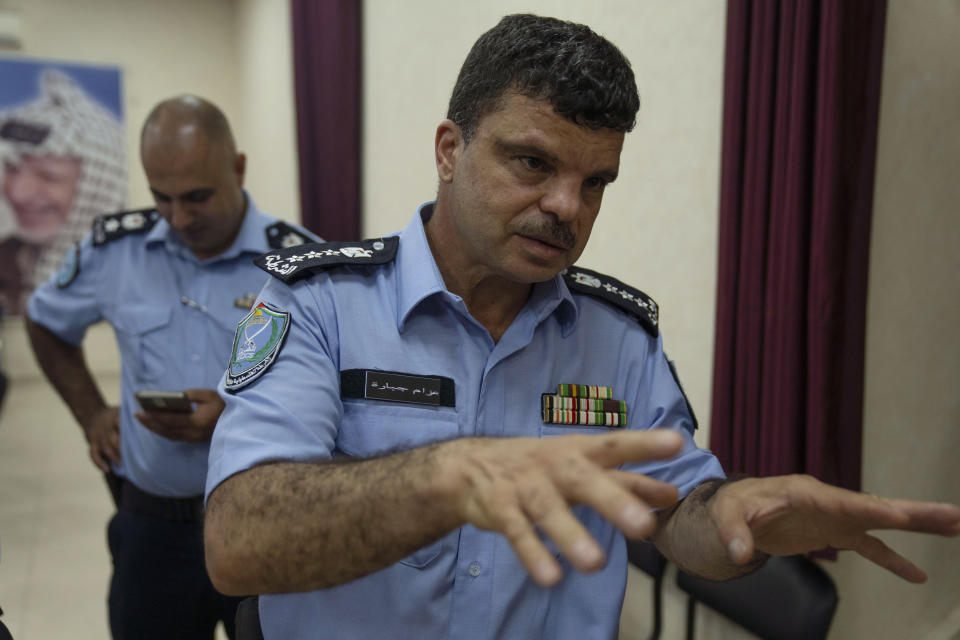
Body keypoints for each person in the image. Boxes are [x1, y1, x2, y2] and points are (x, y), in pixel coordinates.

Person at [203, 14, 960, 640]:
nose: (569, 206)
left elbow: (675, 520)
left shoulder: (619, 336)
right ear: (449, 150)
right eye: (533, 163)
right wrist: (444, 478)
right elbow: (237, 543)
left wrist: (738, 521)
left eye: (595, 181)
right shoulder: (316, 302)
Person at [25, 95, 319, 640]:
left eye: (197, 197)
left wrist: (232, 418)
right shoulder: (115, 251)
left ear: (238, 169)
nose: (179, 217)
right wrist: (91, 413)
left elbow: (336, 396)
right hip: (151, 528)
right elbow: (44, 322)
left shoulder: (303, 266)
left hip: (263, 523)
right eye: (162, 197)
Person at [0, 69, 126, 315]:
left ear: (98, 188)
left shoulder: (123, 274)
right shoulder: (8, 257)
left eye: (49, 176)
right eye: (12, 169)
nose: (18, 193)